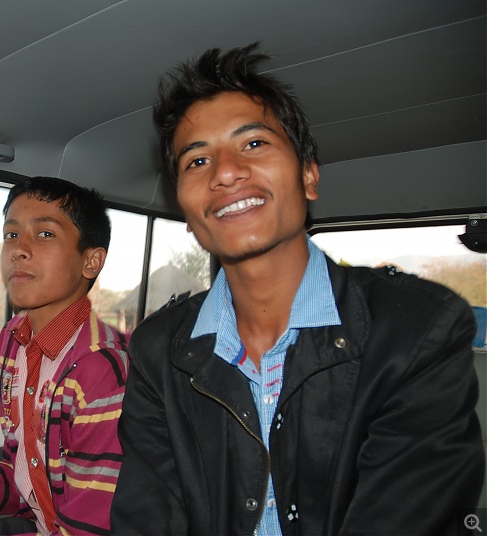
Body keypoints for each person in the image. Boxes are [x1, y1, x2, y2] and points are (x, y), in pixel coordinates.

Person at [110, 43, 484, 536]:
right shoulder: (158, 351)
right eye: (197, 161)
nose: (224, 171)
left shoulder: (418, 329)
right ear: (186, 209)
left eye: (254, 144)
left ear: (309, 175)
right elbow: (148, 519)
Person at [0, 176, 129, 536]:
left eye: (44, 234)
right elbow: (25, 472)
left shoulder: (98, 368)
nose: (18, 250)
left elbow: (91, 524)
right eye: (11, 234)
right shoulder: (11, 342)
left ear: (91, 262)